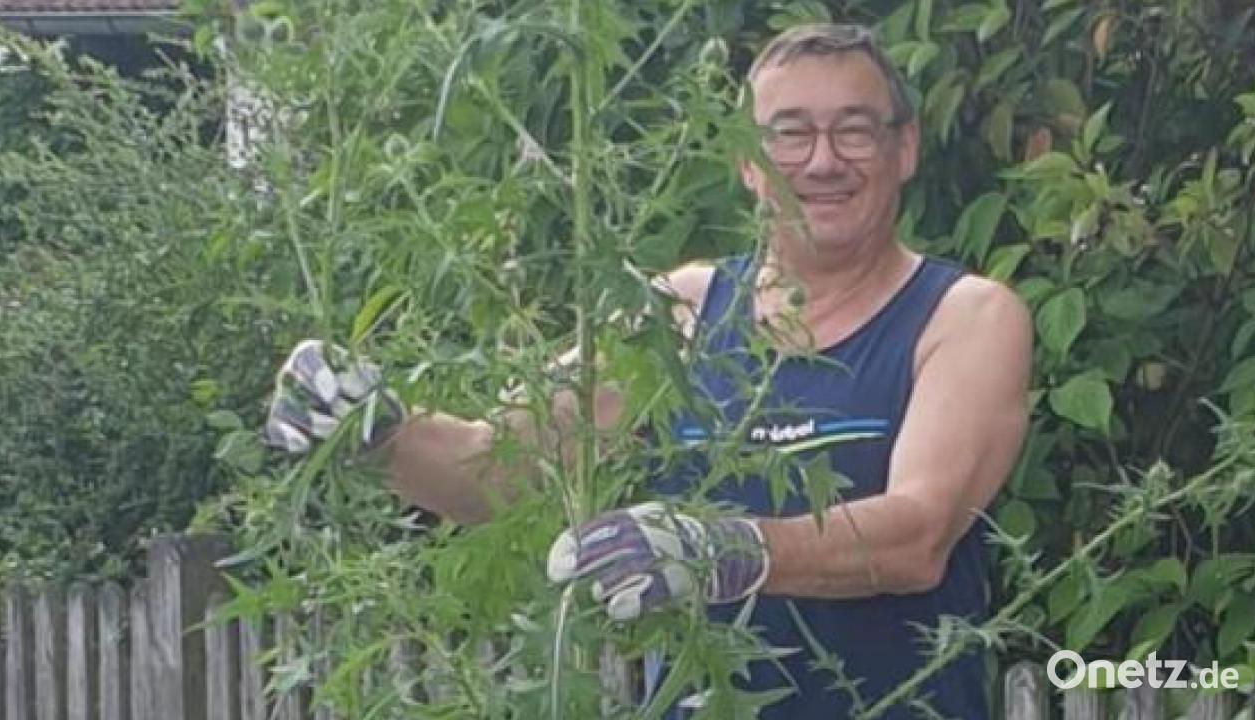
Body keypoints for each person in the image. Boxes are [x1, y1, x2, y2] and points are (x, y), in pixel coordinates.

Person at [266, 23, 1032, 719]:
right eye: (789, 135)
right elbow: (497, 473)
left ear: (905, 149)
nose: (822, 161)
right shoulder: (679, 314)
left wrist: (729, 550)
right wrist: (374, 431)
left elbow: (917, 534)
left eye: (854, 132)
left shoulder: (965, 317)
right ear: (746, 163)